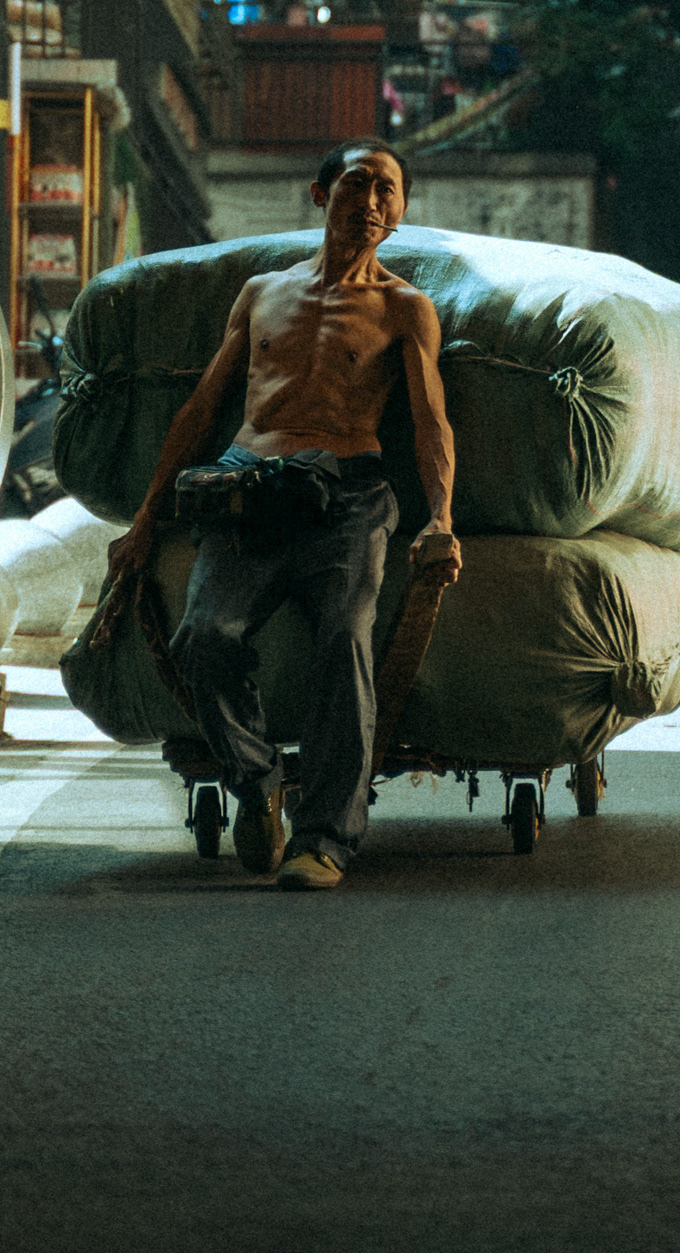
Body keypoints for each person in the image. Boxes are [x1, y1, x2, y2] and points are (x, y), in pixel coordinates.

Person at [105, 142, 460, 892]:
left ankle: (325, 839)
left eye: (387, 190)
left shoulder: (405, 308)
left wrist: (441, 518)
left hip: (349, 495)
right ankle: (259, 782)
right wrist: (144, 521)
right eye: (357, 183)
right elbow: (201, 407)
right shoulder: (262, 292)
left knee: (344, 640)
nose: (372, 201)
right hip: (246, 487)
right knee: (204, 638)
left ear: (400, 212)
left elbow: (431, 418)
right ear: (321, 193)